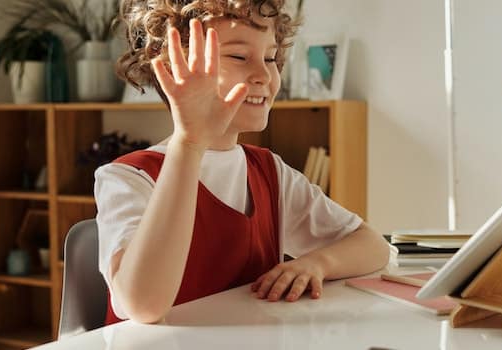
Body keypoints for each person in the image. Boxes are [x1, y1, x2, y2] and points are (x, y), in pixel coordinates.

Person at [95, 0, 391, 325]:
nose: (264, 74)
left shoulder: (269, 172)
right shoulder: (127, 178)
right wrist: (190, 143)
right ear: (172, 67)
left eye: (270, 57)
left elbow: (373, 246)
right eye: (239, 56)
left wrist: (317, 263)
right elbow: (144, 305)